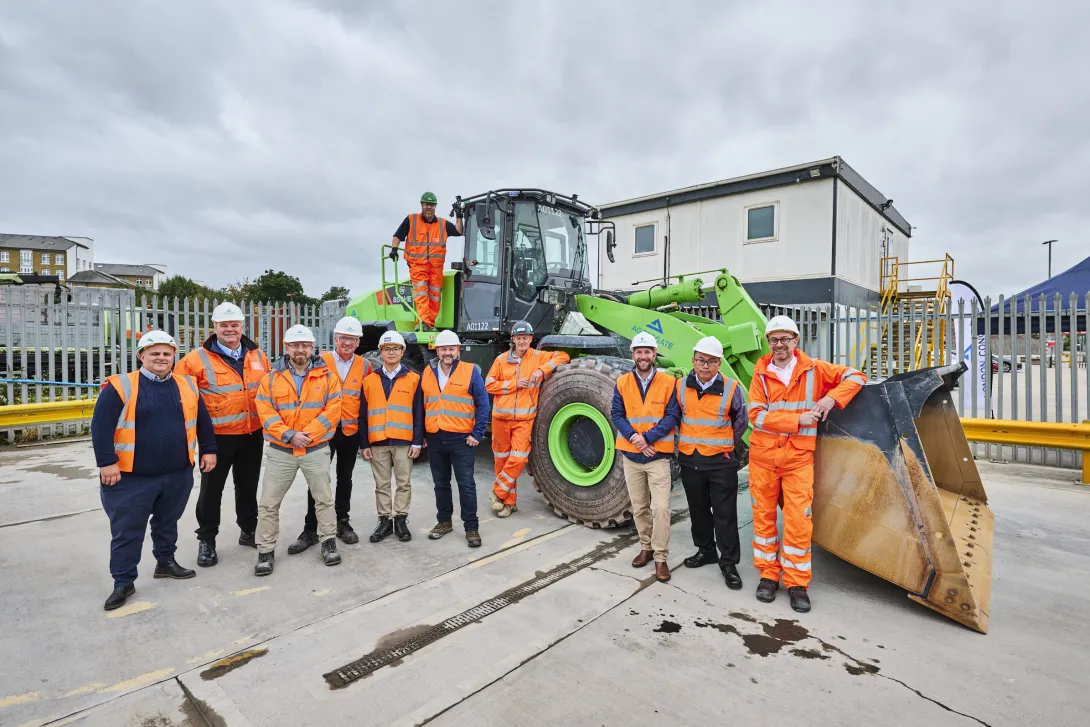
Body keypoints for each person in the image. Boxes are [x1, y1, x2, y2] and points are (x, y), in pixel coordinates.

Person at [92, 331, 217, 611]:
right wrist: (106, 462)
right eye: (154, 353)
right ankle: (123, 581)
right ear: (141, 356)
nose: (161, 358)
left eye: (167, 353)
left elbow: (203, 421)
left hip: (176, 473)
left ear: (174, 356)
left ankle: (165, 562)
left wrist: (209, 449)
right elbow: (100, 426)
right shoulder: (121, 386)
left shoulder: (187, 385)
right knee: (127, 530)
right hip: (130, 477)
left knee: (167, 522)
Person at [748, 315, 866, 612]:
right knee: (763, 519)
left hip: (797, 459)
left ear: (795, 340)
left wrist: (831, 400)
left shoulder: (815, 370)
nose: (779, 345)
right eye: (774, 339)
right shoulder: (760, 373)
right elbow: (756, 416)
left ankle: (797, 582)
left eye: (785, 339)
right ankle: (768, 575)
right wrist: (795, 420)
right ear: (768, 342)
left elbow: (856, 376)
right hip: (764, 459)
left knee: (798, 520)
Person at [176, 301, 270, 568]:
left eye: (235, 325)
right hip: (216, 438)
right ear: (214, 327)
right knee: (211, 490)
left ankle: (248, 530)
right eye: (224, 325)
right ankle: (207, 539)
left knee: (248, 485)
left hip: (252, 434)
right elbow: (182, 398)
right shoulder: (195, 360)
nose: (230, 329)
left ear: (242, 326)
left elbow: (267, 393)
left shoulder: (258, 356)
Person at [253, 324, 343, 575]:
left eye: (305, 345)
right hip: (282, 450)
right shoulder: (270, 379)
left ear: (312, 347)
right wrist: (289, 435)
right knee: (269, 503)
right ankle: (266, 551)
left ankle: (328, 543)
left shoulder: (328, 377)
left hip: (315, 449)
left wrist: (307, 436)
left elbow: (333, 410)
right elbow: (265, 411)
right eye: (295, 345)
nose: (300, 349)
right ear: (287, 347)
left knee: (324, 499)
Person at [286, 317, 371, 555]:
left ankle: (342, 522)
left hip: (350, 431)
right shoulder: (319, 360)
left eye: (352, 339)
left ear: (358, 342)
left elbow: (365, 401)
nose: (347, 343)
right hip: (322, 431)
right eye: (343, 338)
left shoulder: (364, 366)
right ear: (335, 339)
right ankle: (311, 529)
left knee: (346, 478)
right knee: (318, 480)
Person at [677, 336, 749, 591]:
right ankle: (705, 550)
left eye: (711, 361)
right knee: (698, 509)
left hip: (720, 462)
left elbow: (741, 421)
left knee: (725, 514)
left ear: (719, 363)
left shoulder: (732, 388)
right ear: (693, 360)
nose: (705, 366)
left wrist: (721, 444)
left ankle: (728, 563)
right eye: (701, 360)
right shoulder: (680, 386)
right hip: (690, 459)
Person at [611, 331, 680, 583]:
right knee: (639, 507)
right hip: (631, 456)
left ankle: (660, 558)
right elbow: (617, 414)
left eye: (647, 351)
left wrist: (648, 439)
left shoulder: (668, 382)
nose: (643, 356)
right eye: (638, 352)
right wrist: (634, 439)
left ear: (654, 354)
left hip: (657, 456)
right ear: (633, 354)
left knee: (660, 508)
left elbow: (672, 416)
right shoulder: (622, 382)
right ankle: (646, 547)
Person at [484, 320, 569, 518]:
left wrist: (542, 370)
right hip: (500, 419)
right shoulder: (501, 360)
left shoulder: (538, 357)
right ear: (513, 340)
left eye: (526, 338)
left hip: (524, 419)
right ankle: (509, 503)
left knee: (519, 457)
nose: (522, 341)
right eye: (518, 338)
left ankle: (497, 492)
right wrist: (513, 384)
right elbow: (489, 384)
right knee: (502, 461)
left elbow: (563, 356)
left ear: (531, 339)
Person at [421, 330, 490, 548]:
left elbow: (483, 404)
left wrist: (477, 434)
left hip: (461, 439)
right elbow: (423, 405)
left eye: (451, 349)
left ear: (457, 350)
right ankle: (444, 522)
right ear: (437, 350)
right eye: (443, 349)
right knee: (440, 484)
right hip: (435, 438)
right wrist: (422, 436)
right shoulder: (428, 372)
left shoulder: (470, 372)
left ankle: (471, 527)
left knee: (466, 484)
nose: (447, 353)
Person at [358, 330, 424, 543]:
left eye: (396, 348)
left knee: (404, 483)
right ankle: (385, 520)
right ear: (381, 351)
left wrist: (417, 440)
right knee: (382, 484)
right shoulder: (369, 380)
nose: (392, 352)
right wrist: (364, 443)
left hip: (404, 442)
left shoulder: (414, 379)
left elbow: (418, 412)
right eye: (387, 349)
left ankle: (401, 519)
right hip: (377, 442)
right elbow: (363, 414)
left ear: (402, 351)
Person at [389, 192, 464, 328]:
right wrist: (394, 250)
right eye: (426, 204)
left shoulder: (442, 224)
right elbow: (397, 236)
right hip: (418, 266)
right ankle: (423, 322)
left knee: (435, 296)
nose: (429, 207)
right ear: (422, 205)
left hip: (435, 267)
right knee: (421, 294)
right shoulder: (411, 220)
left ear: (435, 207)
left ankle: (430, 323)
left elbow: (459, 231)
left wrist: (459, 215)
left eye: (431, 205)